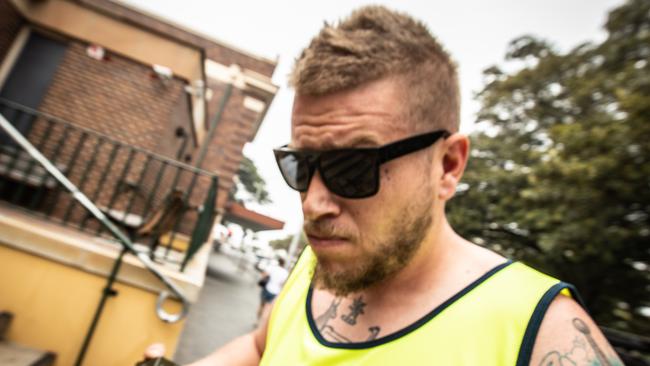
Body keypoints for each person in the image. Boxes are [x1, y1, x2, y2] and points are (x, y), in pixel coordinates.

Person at [147, 5, 622, 365]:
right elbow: (258, 346)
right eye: (300, 165)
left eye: (352, 169)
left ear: (448, 166)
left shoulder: (540, 334)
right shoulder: (321, 262)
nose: (312, 203)